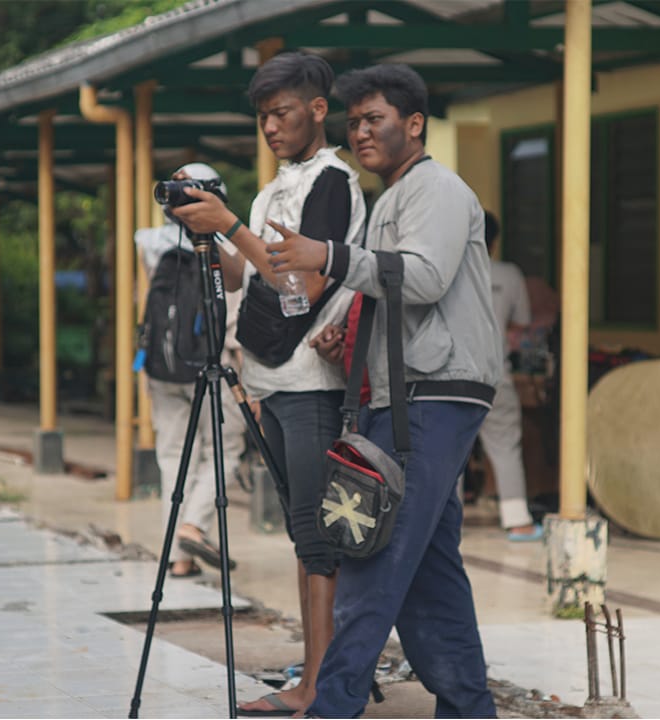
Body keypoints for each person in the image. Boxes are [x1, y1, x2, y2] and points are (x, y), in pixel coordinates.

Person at [269, 64, 502, 718]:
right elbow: (388, 285)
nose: (363, 132)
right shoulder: (393, 197)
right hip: (405, 397)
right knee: (431, 572)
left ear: (415, 123)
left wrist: (330, 257)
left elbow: (424, 278)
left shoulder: (437, 190)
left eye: (376, 119)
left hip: (431, 395)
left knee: (370, 561)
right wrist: (345, 321)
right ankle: (468, 708)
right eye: (355, 123)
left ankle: (330, 708)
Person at [171, 52, 367, 716]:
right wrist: (207, 230)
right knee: (301, 532)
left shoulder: (334, 183)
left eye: (282, 114)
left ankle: (320, 687)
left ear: (317, 109)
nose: (271, 128)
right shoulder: (272, 187)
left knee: (316, 536)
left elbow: (303, 287)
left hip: (312, 380)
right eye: (261, 118)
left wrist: (230, 225)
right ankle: (312, 678)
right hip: (269, 375)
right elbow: (246, 278)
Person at [134, 162, 245, 578]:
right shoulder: (227, 249)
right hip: (211, 365)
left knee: (172, 458)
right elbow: (232, 318)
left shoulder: (149, 244)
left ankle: (176, 557)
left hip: (161, 368)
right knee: (225, 450)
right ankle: (194, 525)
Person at [479, 211, 541, 540]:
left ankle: (443, 525)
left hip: (449, 376)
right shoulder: (509, 274)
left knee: (449, 451)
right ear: (494, 240)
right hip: (496, 374)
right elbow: (520, 325)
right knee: (506, 445)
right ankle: (518, 520)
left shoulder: (450, 270)